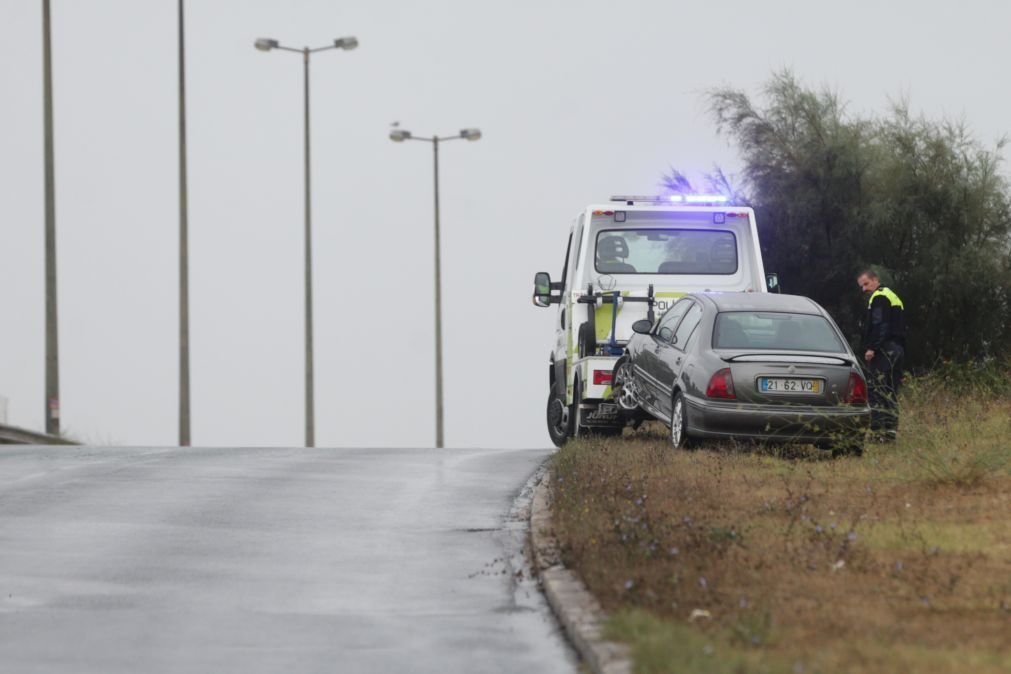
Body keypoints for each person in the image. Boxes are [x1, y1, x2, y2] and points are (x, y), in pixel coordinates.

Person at [857, 269, 907, 441]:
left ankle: (878, 432)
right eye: (861, 286)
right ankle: (890, 432)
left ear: (875, 280)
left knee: (877, 389)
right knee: (890, 390)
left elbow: (880, 325)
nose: (864, 289)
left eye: (866, 284)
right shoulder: (892, 295)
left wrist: (872, 347)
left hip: (884, 349)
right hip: (898, 349)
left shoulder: (879, 297)